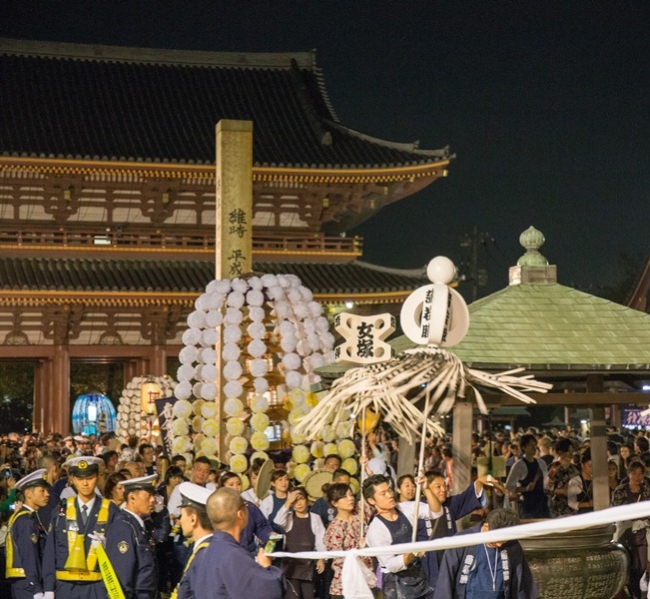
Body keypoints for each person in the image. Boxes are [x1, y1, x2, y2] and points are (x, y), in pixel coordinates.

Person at [43, 456, 120, 599]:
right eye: (79, 479)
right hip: (65, 586)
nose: (85, 483)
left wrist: (107, 545)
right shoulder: (61, 510)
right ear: (72, 479)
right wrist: (48, 588)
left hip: (97, 586)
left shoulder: (111, 510)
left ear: (97, 477)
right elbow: (50, 551)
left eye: (90, 478)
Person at [192, 487, 285, 598]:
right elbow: (268, 592)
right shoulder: (236, 556)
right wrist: (266, 568)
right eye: (246, 506)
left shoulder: (202, 552)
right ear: (240, 514)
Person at [418, 471, 501, 590]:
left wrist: (479, 481)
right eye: (438, 486)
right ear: (425, 488)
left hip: (450, 560)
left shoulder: (450, 505)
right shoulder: (416, 509)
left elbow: (467, 496)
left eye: (445, 485)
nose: (443, 489)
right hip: (428, 565)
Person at [364, 473, 443, 599]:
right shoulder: (375, 530)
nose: (390, 495)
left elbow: (436, 512)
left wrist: (426, 489)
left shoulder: (406, 508)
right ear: (371, 500)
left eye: (389, 490)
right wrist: (413, 553)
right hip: (396, 584)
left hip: (418, 576)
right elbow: (391, 565)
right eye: (383, 493)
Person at [433, 508, 540, 599]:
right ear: (486, 526)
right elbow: (445, 579)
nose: (498, 544)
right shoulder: (462, 540)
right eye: (496, 539)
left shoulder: (512, 546)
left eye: (503, 540)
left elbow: (521, 582)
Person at [105, 474, 159, 598]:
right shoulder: (123, 527)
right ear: (132, 497)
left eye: (153, 495)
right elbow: (122, 577)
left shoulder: (139, 525)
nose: (152, 500)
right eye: (148, 495)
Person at [323, 482, 376, 599]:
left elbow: (371, 494)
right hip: (346, 586)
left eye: (351, 495)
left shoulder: (359, 515)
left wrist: (366, 468)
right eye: (345, 496)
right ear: (335, 503)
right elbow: (339, 559)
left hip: (367, 580)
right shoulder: (335, 528)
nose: (350, 498)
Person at [5, 469, 51, 599]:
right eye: (42, 490)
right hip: (28, 585)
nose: (47, 494)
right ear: (29, 494)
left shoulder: (28, 517)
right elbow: (29, 556)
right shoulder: (26, 521)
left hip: (25, 583)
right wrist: (36, 588)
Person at [273, 486, 326, 599]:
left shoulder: (315, 518)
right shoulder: (288, 518)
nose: (299, 503)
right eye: (295, 501)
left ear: (307, 499)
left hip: (307, 567)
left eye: (301, 499)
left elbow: (321, 540)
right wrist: (288, 501)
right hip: (290, 567)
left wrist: (321, 557)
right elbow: (277, 521)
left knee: (309, 596)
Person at [612, 460, 650, 599]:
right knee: (631, 564)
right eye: (634, 473)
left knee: (642, 564)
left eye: (640, 474)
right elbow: (618, 510)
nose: (637, 477)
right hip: (626, 532)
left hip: (642, 532)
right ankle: (634, 591)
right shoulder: (621, 490)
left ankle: (637, 591)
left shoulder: (646, 489)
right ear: (628, 474)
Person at [172, 482, 213, 599]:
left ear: (193, 519)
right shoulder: (206, 548)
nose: (180, 519)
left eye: (182, 515)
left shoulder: (205, 554)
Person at [218, 471, 273, 555]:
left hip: (248, 553)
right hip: (225, 553)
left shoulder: (249, 507)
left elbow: (261, 527)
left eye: (238, 484)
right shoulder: (217, 508)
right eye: (231, 485)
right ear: (223, 488)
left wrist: (270, 535)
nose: (236, 487)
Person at [505, 434, 549, 519]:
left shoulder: (541, 463)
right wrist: (525, 489)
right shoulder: (519, 465)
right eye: (530, 445)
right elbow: (509, 487)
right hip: (528, 506)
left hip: (542, 505)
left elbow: (546, 483)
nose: (534, 447)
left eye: (535, 445)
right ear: (523, 447)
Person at [545, 438, 579, 517]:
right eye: (569, 451)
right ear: (560, 453)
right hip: (559, 510)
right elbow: (547, 489)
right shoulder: (554, 468)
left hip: (574, 508)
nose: (571, 454)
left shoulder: (575, 468)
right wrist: (563, 491)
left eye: (572, 451)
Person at [567, 448, 594, 514]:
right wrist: (587, 504)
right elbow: (571, 503)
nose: (592, 469)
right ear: (582, 465)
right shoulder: (574, 481)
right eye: (590, 466)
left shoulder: (596, 479)